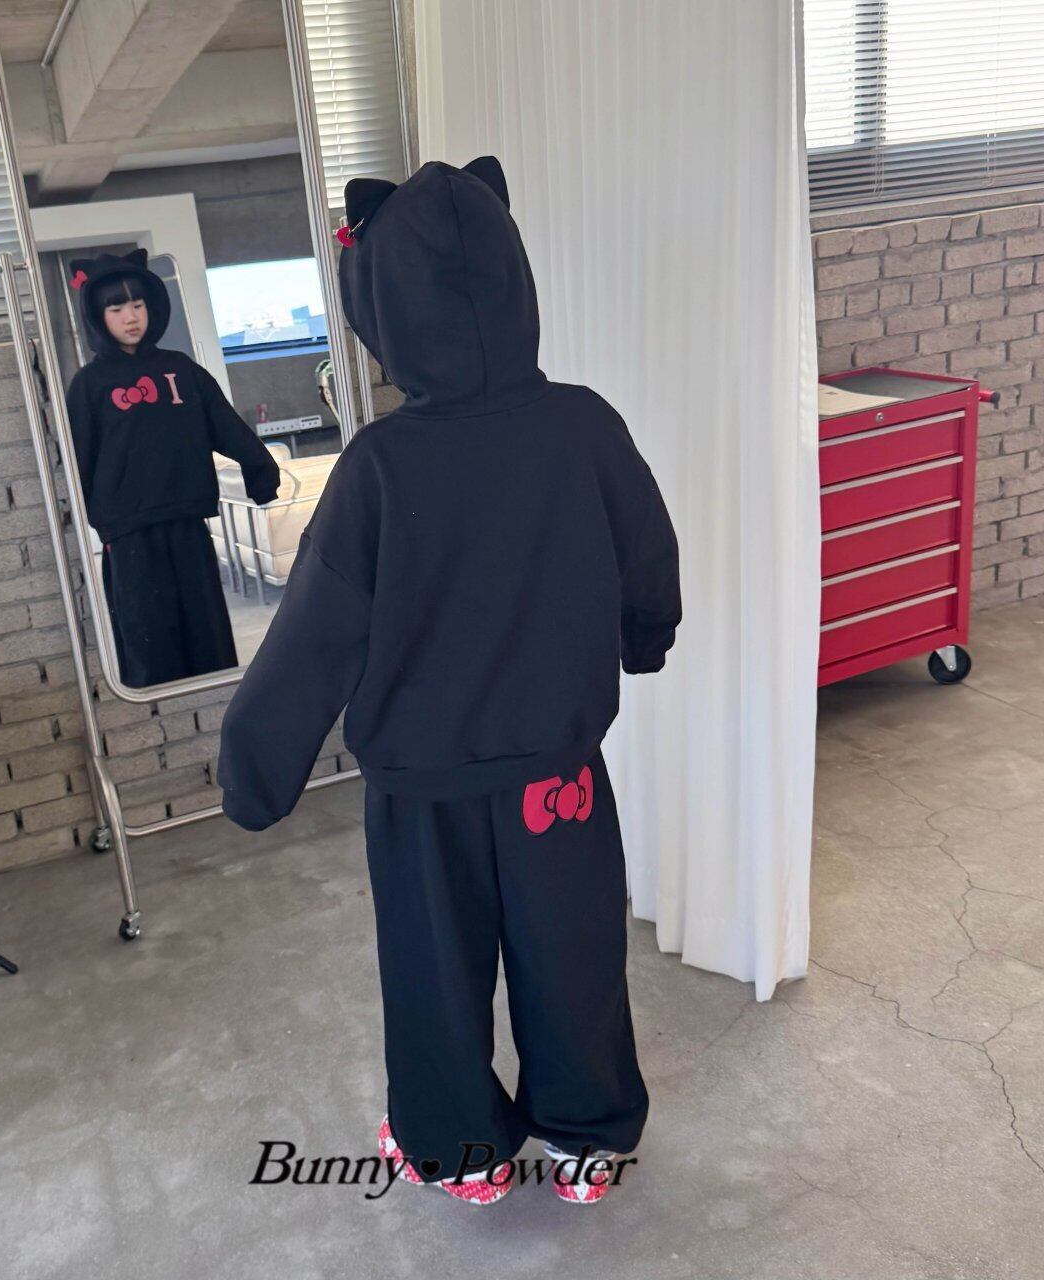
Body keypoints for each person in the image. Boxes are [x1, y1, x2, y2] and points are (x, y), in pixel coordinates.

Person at [216, 157, 682, 1206]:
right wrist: (644, 637)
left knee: (434, 967)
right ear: (514, 282)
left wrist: (256, 770)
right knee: (573, 955)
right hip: (556, 772)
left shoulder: (380, 466)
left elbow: (314, 635)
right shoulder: (584, 425)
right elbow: (646, 550)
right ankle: (587, 1139)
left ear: (385, 313)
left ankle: (463, 1149)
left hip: (421, 787)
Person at [63, 249, 281, 688]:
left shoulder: (180, 370)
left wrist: (261, 473)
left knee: (205, 629)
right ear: (98, 317)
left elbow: (225, 424)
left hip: (186, 520)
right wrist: (89, 516)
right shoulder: (89, 385)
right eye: (117, 308)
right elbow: (79, 455)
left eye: (137, 304)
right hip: (129, 532)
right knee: (147, 634)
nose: (130, 317)